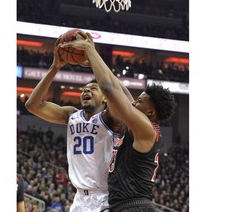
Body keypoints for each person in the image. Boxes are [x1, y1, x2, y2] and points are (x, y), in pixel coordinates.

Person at [61, 31, 177, 212]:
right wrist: (94, 57)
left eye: (139, 101)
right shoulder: (138, 123)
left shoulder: (145, 128)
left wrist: (90, 50)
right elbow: (118, 87)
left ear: (151, 112)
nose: (133, 101)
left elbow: (109, 89)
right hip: (123, 206)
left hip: (134, 207)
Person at [25, 37, 133, 212]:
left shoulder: (111, 118)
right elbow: (32, 105)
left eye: (92, 88)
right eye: (83, 90)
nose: (86, 91)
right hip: (79, 199)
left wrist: (93, 56)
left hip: (106, 197)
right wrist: (55, 68)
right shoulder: (71, 115)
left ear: (105, 98)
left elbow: (121, 97)